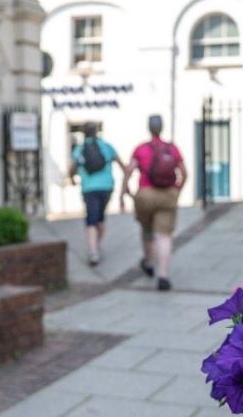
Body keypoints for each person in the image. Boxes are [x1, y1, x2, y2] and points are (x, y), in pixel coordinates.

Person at [123, 114, 186, 291]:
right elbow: (184, 172)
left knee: (147, 229)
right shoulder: (172, 149)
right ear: (162, 127)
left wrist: (125, 190)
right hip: (168, 194)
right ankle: (163, 275)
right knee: (163, 235)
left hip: (145, 195)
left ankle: (149, 263)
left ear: (148, 127)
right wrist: (177, 190)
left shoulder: (141, 149)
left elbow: (129, 170)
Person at [68, 122, 123, 267]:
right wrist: (126, 186)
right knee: (100, 217)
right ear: (96, 132)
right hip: (106, 186)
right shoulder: (106, 146)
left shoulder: (80, 148)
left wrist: (72, 179)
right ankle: (96, 245)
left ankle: (93, 251)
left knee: (91, 218)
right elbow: (121, 163)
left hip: (89, 188)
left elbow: (73, 167)